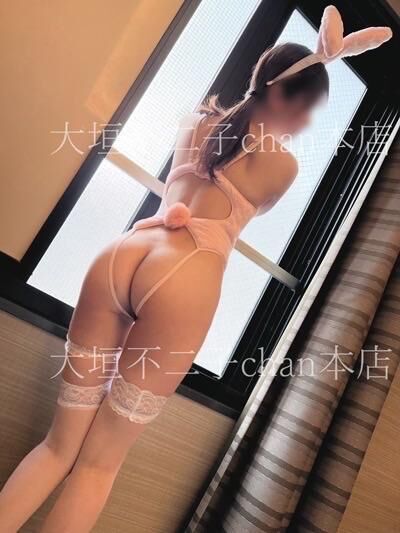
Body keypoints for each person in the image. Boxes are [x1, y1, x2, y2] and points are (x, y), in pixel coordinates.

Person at [0, 5, 392, 529]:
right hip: (186, 273)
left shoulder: (196, 120)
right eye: (306, 110)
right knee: (97, 465)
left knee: (57, 447)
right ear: (279, 94)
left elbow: (206, 163)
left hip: (125, 253)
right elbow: (255, 204)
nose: (305, 124)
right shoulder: (283, 165)